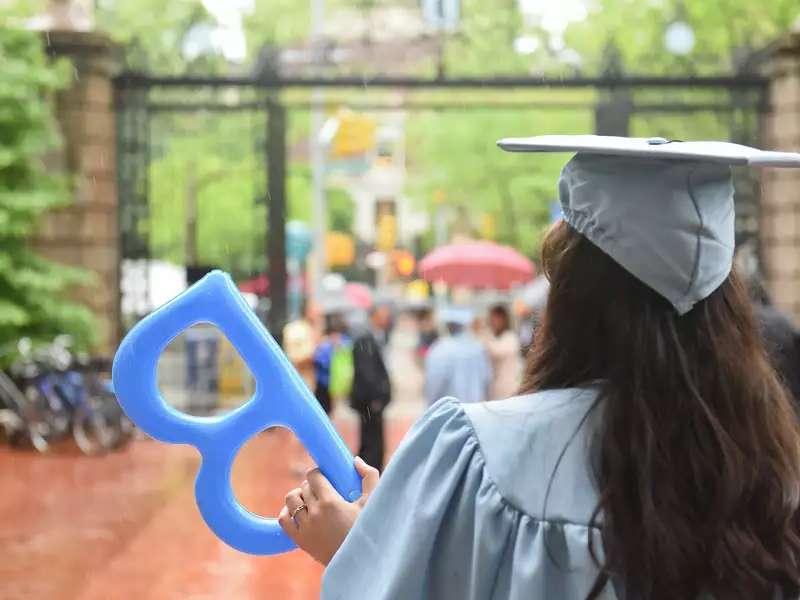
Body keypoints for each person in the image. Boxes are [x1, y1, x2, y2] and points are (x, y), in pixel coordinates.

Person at [279, 136, 800, 600]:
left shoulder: (480, 451)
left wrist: (361, 553)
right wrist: (394, 533)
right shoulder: (769, 470)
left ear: (573, 295)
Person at [349, 304, 392, 471]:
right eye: (382, 315)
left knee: (373, 438)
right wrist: (376, 397)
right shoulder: (365, 339)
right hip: (369, 401)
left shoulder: (375, 337)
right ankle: (368, 472)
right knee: (371, 441)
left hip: (373, 401)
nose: (386, 319)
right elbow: (367, 372)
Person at [423, 307, 492, 405]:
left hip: (449, 412)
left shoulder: (440, 349)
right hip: (475, 410)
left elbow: (433, 384)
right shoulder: (478, 347)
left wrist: (430, 405)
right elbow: (487, 378)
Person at [482, 304, 522, 400]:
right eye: (492, 318)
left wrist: (484, 332)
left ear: (505, 319)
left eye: (496, 318)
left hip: (509, 389)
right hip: (495, 389)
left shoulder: (511, 337)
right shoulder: (492, 337)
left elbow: (496, 351)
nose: (493, 322)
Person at [312, 315, 350, 414]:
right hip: (333, 382)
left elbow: (319, 361)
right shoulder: (346, 343)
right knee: (327, 409)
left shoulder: (325, 344)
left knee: (324, 409)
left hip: (327, 382)